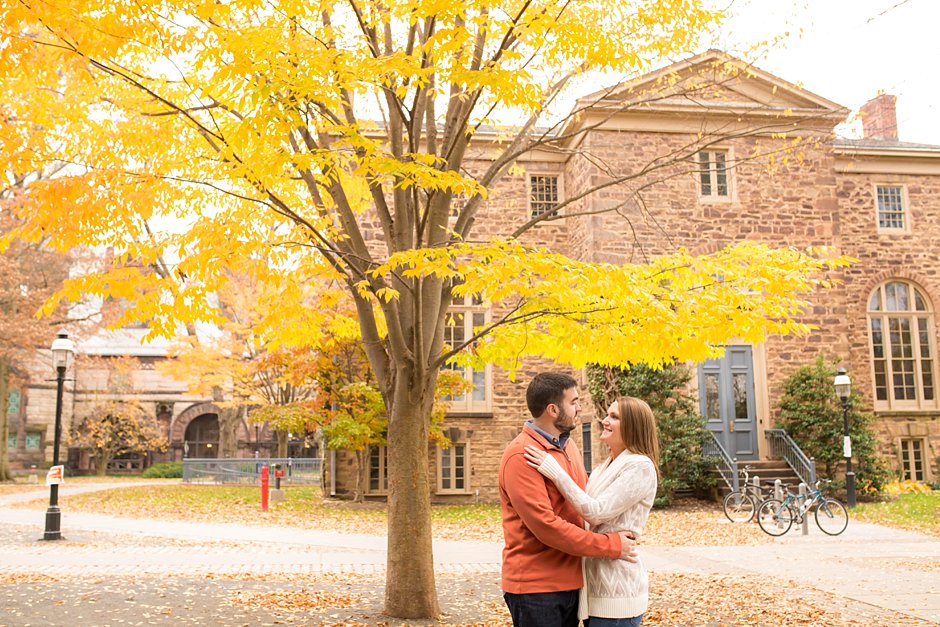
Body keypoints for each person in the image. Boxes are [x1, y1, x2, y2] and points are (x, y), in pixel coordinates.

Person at [499, 372, 637, 627]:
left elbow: (584, 503)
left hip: (573, 583)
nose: (579, 408)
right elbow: (547, 527)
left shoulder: (568, 446)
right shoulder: (521, 455)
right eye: (573, 402)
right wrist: (610, 545)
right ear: (553, 409)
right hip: (536, 588)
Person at [524, 396, 660, 627]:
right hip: (593, 592)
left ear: (633, 426)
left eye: (615, 417)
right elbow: (582, 511)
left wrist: (554, 471)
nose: (605, 420)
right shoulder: (604, 467)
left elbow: (595, 512)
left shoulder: (640, 466)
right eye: (607, 414)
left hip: (618, 596)